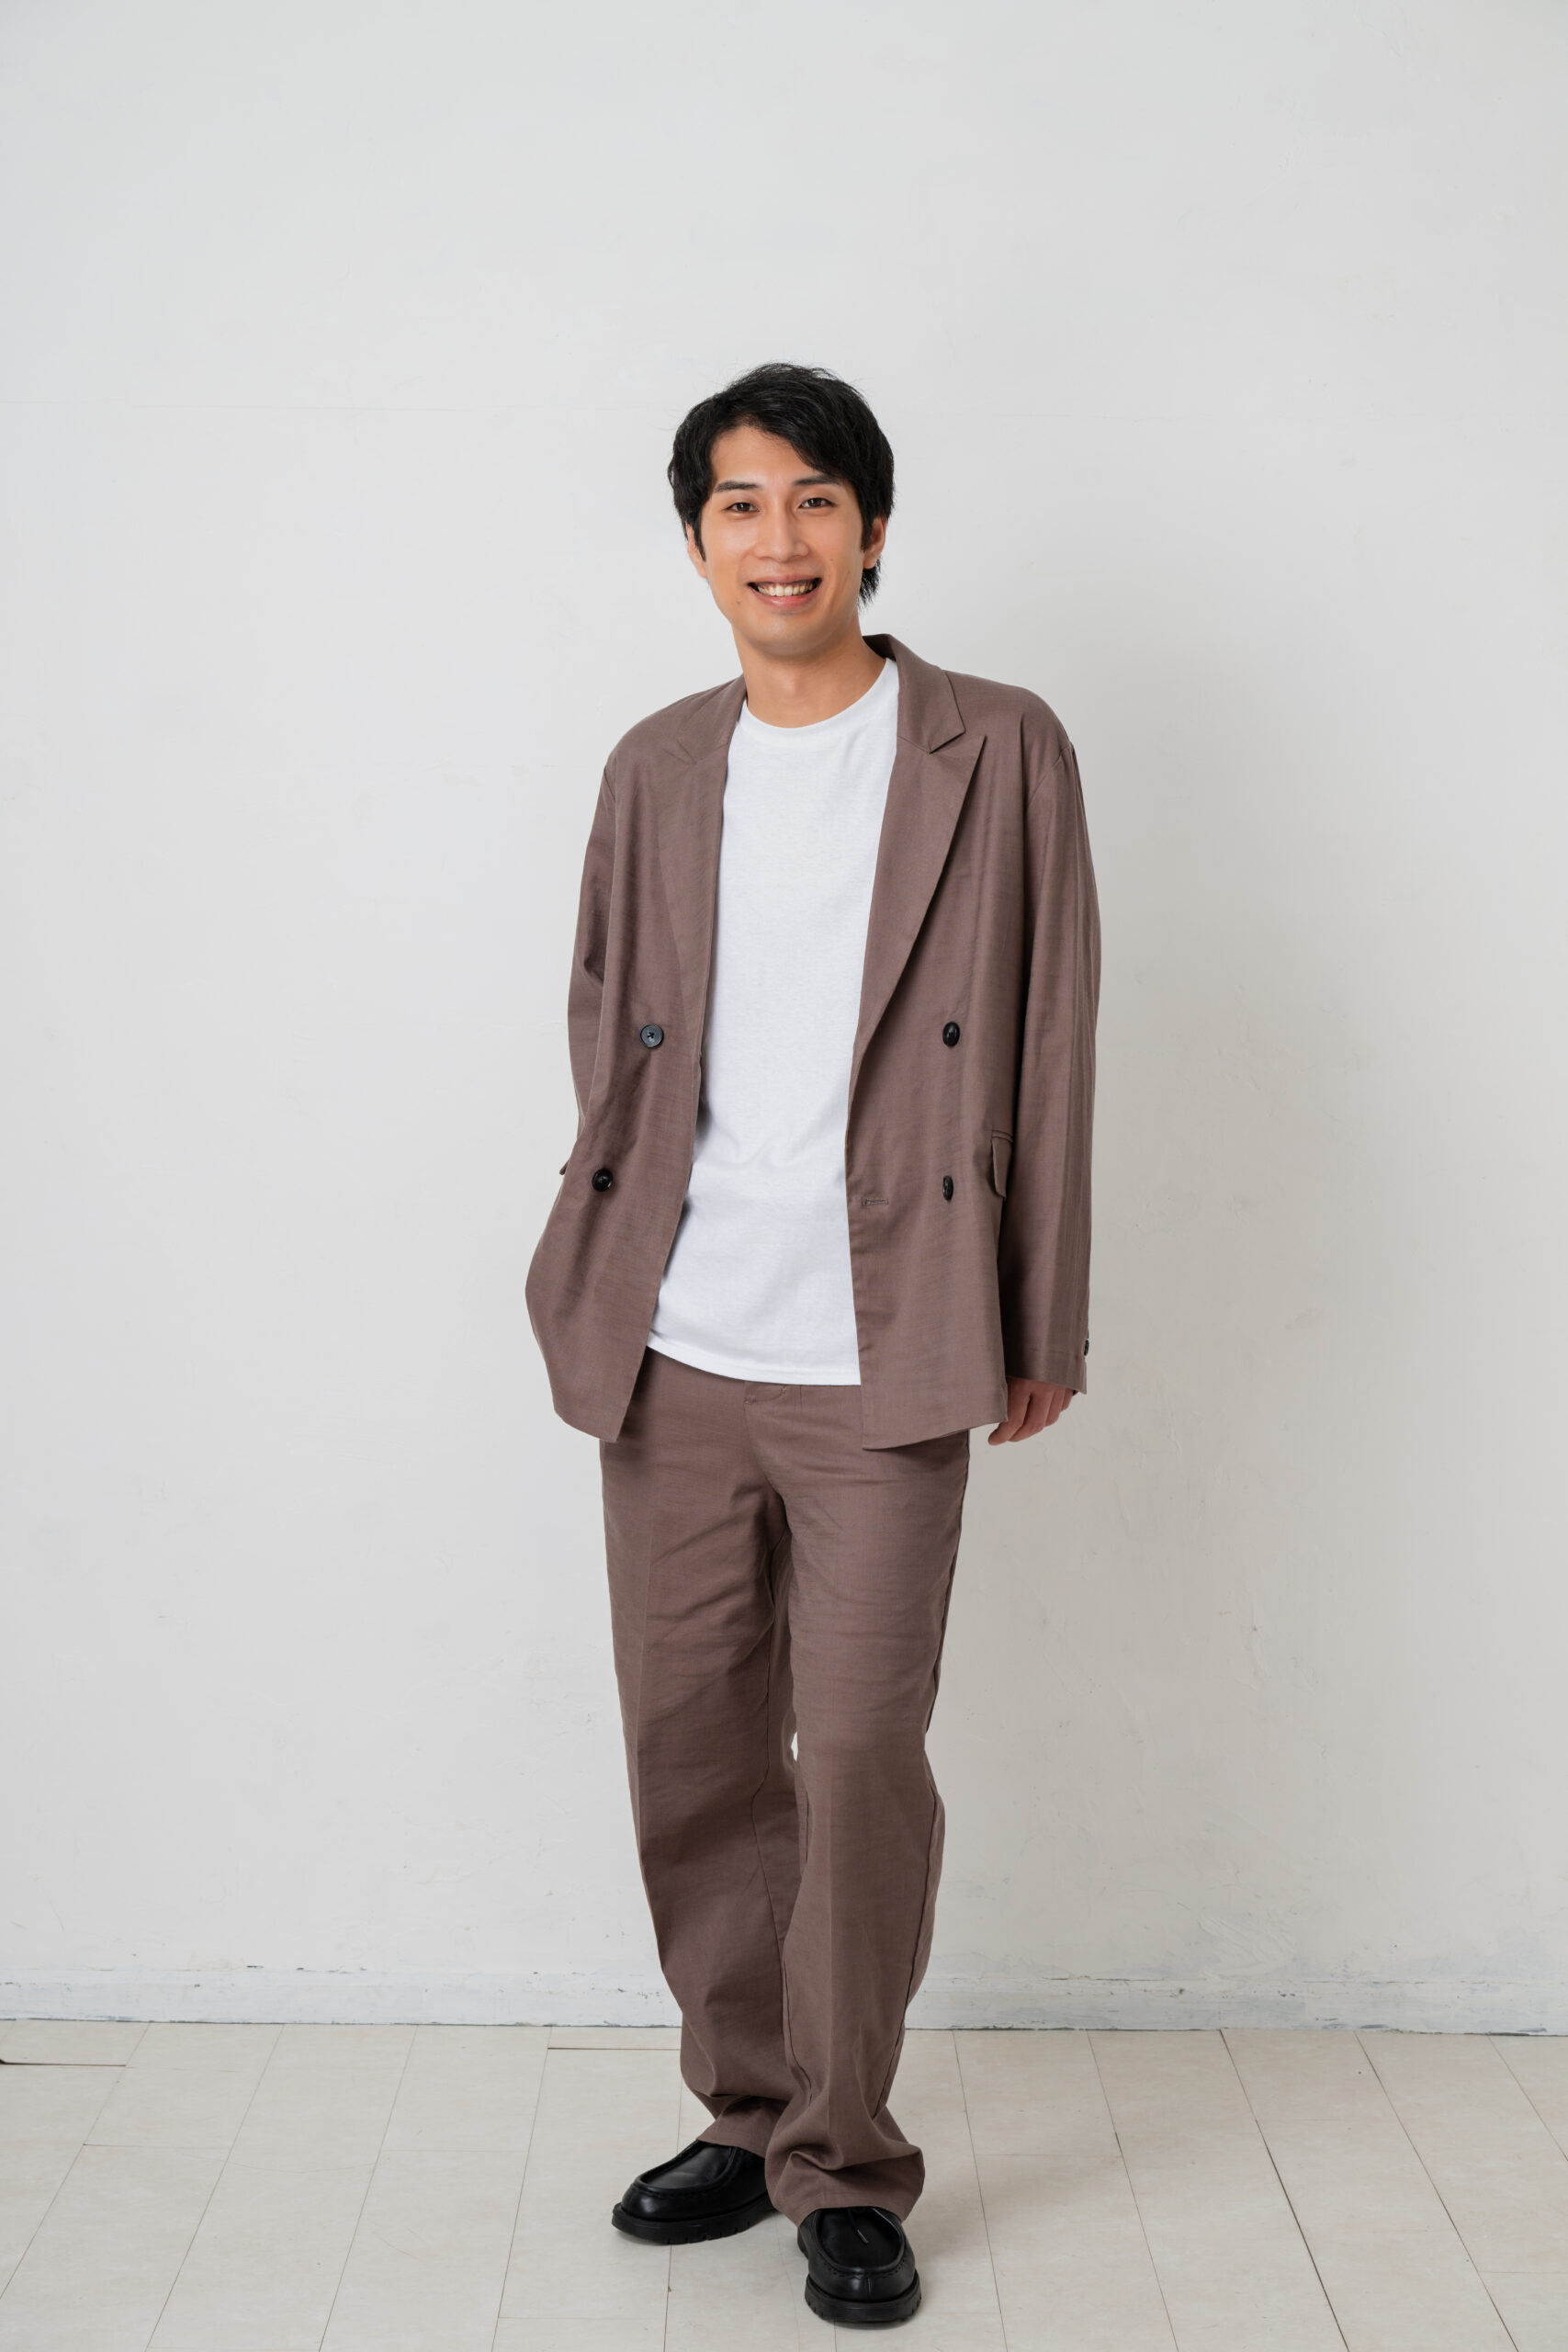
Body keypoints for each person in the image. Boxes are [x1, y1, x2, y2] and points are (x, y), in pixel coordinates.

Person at [525, 361, 1100, 2329]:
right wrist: (605, 1249)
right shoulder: (653, 764)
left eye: (814, 500)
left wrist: (1039, 1303)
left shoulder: (994, 745)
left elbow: (1050, 1031)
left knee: (852, 1754)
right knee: (692, 1746)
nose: (779, 540)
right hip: (672, 1344)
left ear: (870, 527)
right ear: (698, 542)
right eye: (739, 506)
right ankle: (750, 2105)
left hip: (891, 1336)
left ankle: (845, 2159)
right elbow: (608, 1023)